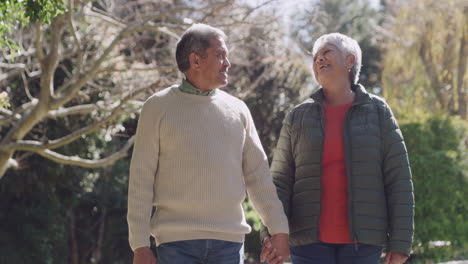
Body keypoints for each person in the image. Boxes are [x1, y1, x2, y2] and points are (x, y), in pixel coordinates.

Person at [127, 23, 289, 264]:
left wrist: (279, 231)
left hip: (229, 244)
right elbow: (141, 180)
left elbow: (259, 177)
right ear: (195, 61)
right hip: (175, 244)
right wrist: (140, 245)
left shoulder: (238, 110)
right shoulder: (157, 107)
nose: (228, 63)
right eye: (220, 55)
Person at [260, 33, 414, 264]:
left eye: (327, 52)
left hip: (363, 243)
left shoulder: (378, 111)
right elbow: (280, 180)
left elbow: (399, 178)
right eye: (315, 57)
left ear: (350, 61)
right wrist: (273, 235)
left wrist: (401, 243)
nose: (319, 59)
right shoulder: (297, 116)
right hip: (308, 241)